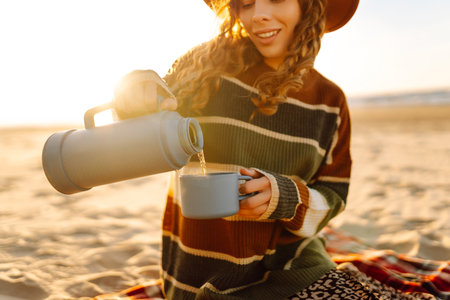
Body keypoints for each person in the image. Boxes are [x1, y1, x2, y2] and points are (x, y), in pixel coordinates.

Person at [107, 0, 435, 299]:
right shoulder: (202, 74)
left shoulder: (330, 102)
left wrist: (287, 198)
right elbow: (142, 128)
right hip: (197, 273)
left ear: (307, 7)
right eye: (246, 3)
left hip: (295, 270)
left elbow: (333, 197)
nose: (259, 14)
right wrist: (134, 94)